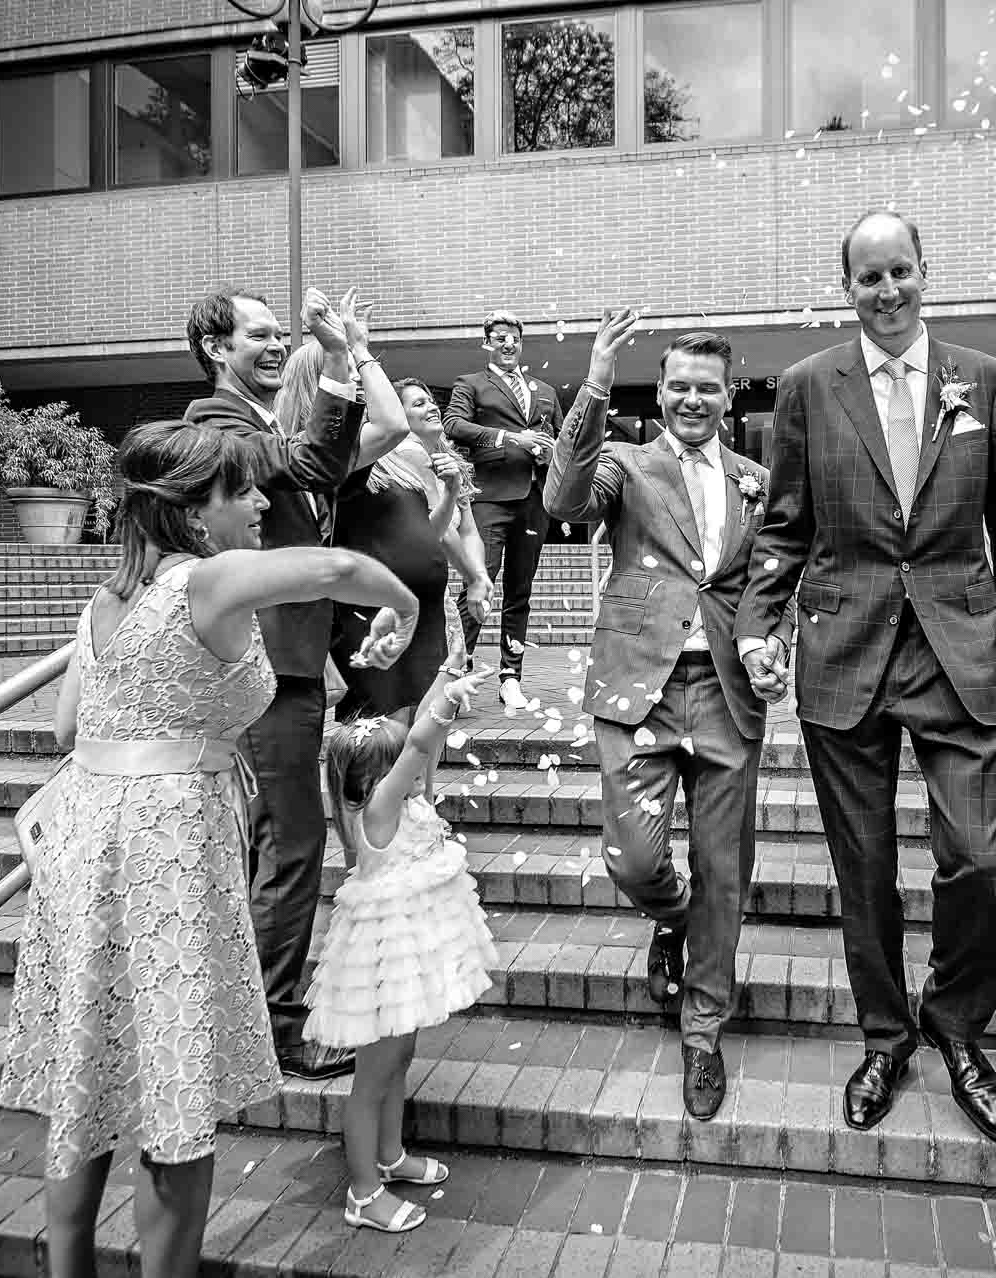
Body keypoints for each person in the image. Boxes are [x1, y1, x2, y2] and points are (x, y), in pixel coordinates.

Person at [0, 420, 418, 1278]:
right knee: (172, 1088)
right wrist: (404, 607)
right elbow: (340, 568)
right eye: (243, 490)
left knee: (88, 1079)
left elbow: (66, 726)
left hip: (87, 848)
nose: (263, 502)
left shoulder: (103, 603)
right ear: (193, 511)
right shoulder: (207, 581)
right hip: (167, 856)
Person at [737, 210, 996, 1142]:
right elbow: (784, 523)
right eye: (867, 278)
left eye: (899, 272)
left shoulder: (983, 383)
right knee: (862, 868)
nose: (886, 292)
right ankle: (885, 1036)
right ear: (848, 288)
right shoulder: (807, 386)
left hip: (959, 648)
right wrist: (760, 623)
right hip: (844, 649)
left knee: (976, 858)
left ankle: (955, 1021)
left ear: (925, 272)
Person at [544, 313, 791, 1121]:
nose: (693, 398)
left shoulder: (755, 478)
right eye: (679, 385)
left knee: (726, 869)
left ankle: (703, 1029)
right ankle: (675, 922)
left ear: (728, 396)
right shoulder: (624, 461)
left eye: (708, 388)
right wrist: (594, 384)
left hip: (725, 691)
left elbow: (767, 583)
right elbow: (565, 499)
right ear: (660, 391)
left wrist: (770, 642)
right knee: (636, 860)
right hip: (636, 688)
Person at [182, 284, 388, 1080]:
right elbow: (311, 463)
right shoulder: (218, 424)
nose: (276, 346)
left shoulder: (263, 422)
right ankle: (269, 1025)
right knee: (292, 844)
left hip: (289, 659)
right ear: (215, 349)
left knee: (275, 842)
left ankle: (239, 1011)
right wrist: (338, 358)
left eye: (280, 336)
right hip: (261, 663)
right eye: (259, 335)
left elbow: (320, 466)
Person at [304, 671, 499, 1234]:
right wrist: (441, 712)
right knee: (374, 1075)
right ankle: (363, 1192)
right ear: (368, 781)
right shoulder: (379, 812)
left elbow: (419, 744)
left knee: (400, 1057)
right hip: (384, 962)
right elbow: (419, 743)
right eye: (394, 769)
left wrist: (444, 678)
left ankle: (390, 1157)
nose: (411, 775)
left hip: (408, 954)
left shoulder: (404, 800)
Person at [272, 338, 493, 725]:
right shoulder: (332, 455)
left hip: (419, 616)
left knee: (422, 734)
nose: (361, 388)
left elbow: (425, 532)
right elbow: (392, 422)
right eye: (351, 380)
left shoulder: (394, 461)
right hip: (374, 615)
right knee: (381, 740)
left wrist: (471, 568)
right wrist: (357, 347)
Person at [445, 309, 563, 709]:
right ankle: (458, 668)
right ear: (487, 343)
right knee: (480, 583)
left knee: (520, 591)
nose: (508, 343)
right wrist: (510, 438)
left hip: (534, 501)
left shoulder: (545, 390)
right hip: (490, 499)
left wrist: (549, 454)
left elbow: (561, 441)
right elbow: (453, 425)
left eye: (514, 337)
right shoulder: (471, 384)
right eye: (499, 337)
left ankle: (511, 676)